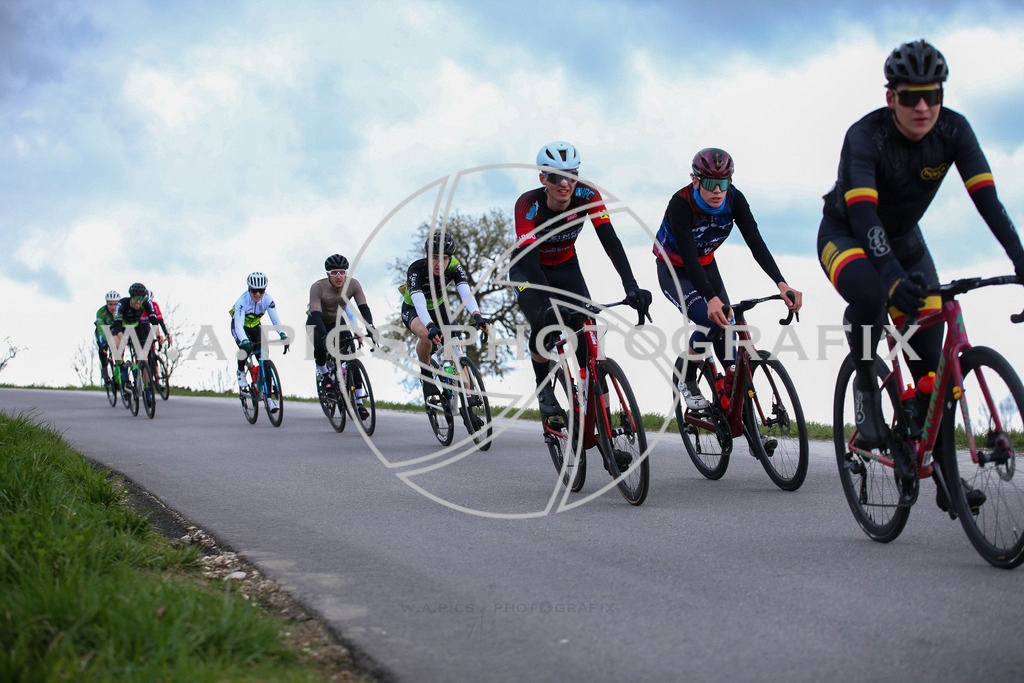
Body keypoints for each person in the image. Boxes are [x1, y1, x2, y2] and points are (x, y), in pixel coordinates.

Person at [817, 39, 1024, 508]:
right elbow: (866, 215)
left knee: (932, 365)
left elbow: (988, 201)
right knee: (872, 294)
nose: (924, 106)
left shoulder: (954, 130)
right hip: (846, 234)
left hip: (908, 245)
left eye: (933, 94)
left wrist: (1019, 257)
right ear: (891, 97)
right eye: (910, 96)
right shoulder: (866, 136)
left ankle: (945, 478)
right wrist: (890, 277)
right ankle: (867, 383)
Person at [510, 141, 653, 416]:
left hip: (566, 266)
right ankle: (544, 386)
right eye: (556, 177)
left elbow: (610, 241)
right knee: (545, 324)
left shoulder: (588, 195)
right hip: (528, 271)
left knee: (586, 332)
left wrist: (631, 285)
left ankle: (604, 420)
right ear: (543, 178)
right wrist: (548, 302)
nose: (565, 183)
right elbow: (528, 259)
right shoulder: (528, 205)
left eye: (572, 174)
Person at [654, 148, 801, 411]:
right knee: (711, 321)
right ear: (696, 180)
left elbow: (756, 242)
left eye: (724, 183)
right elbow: (688, 256)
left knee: (730, 340)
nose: (718, 190)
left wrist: (781, 283)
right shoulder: (681, 203)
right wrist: (710, 299)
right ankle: (687, 375)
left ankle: (734, 408)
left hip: (707, 266)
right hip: (675, 270)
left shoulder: (734, 199)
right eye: (711, 183)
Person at [401, 231, 489, 403]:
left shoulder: (455, 266)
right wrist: (430, 325)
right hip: (414, 309)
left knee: (456, 344)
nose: (440, 263)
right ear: (427, 256)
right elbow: (419, 303)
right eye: (435, 257)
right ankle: (426, 375)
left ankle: (467, 396)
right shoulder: (416, 269)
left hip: (439, 308)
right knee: (427, 336)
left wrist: (477, 315)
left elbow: (465, 292)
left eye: (445, 258)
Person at [306, 254, 378, 419]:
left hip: (337, 322)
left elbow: (363, 308)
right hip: (317, 322)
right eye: (334, 273)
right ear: (328, 275)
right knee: (320, 346)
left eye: (342, 272)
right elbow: (316, 314)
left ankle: (359, 402)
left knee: (351, 356)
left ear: (346, 273)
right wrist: (324, 337)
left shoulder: (353, 284)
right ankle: (324, 375)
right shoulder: (317, 287)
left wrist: (370, 327)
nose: (338, 276)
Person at [230, 271, 289, 412]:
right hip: (240, 327)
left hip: (256, 328)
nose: (258, 294)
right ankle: (240, 371)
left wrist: (282, 334)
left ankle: (269, 400)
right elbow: (238, 325)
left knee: (265, 361)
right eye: (254, 291)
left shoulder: (268, 300)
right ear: (249, 289)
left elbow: (275, 320)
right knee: (245, 349)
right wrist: (244, 340)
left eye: (261, 291)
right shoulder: (241, 302)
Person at [110, 282, 161, 401]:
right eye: (136, 299)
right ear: (131, 297)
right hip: (121, 327)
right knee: (117, 347)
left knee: (144, 357)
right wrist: (122, 337)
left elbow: (153, 319)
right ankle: (123, 374)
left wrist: (159, 335)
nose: (139, 302)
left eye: (141, 299)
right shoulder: (122, 304)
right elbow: (117, 324)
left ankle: (147, 388)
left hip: (136, 327)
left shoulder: (146, 303)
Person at [94, 290, 120, 386]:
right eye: (110, 304)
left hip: (115, 331)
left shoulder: (121, 311)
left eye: (115, 304)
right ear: (106, 304)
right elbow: (101, 330)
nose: (113, 307)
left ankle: (119, 374)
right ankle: (105, 372)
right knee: (103, 351)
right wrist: (103, 344)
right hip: (103, 331)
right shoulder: (101, 312)